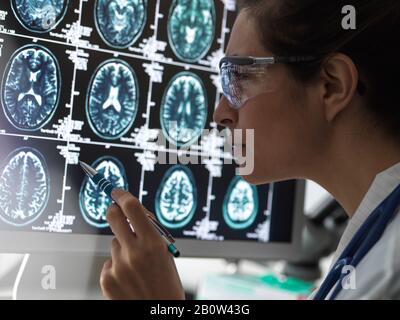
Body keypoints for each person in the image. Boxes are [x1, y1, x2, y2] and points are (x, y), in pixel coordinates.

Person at [99, 0, 400, 300]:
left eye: (238, 78)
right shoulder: (373, 246)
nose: (220, 114)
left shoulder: (388, 274)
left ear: (331, 86)